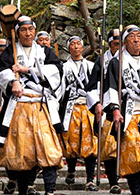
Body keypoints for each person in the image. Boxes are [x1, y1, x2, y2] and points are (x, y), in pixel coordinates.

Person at [0, 16, 63, 195]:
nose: (28, 33)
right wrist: (12, 82)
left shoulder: (45, 52)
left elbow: (56, 70)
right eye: (23, 30)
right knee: (21, 153)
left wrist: (27, 70)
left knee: (48, 148)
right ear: (17, 33)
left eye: (30, 29)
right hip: (19, 107)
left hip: (41, 105)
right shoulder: (10, 52)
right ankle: (23, 189)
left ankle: (50, 191)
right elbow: (1, 72)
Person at [103, 25, 140, 195]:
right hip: (129, 111)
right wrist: (115, 111)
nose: (136, 39)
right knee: (131, 149)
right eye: (132, 36)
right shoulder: (117, 63)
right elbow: (111, 88)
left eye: (139, 36)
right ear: (125, 42)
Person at [59, 36, 97, 191]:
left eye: (78, 44)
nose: (76, 47)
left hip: (88, 108)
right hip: (71, 107)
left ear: (82, 47)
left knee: (90, 143)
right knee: (71, 141)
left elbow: (96, 86)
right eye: (73, 44)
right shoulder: (64, 67)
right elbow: (60, 88)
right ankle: (71, 171)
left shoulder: (91, 65)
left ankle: (90, 179)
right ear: (69, 48)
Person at [86, 29, 122, 194]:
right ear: (109, 43)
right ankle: (113, 182)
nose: (118, 46)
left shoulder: (128, 59)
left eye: (120, 43)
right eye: (115, 44)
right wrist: (97, 104)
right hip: (107, 108)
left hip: (129, 104)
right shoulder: (102, 61)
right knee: (109, 148)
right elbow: (91, 87)